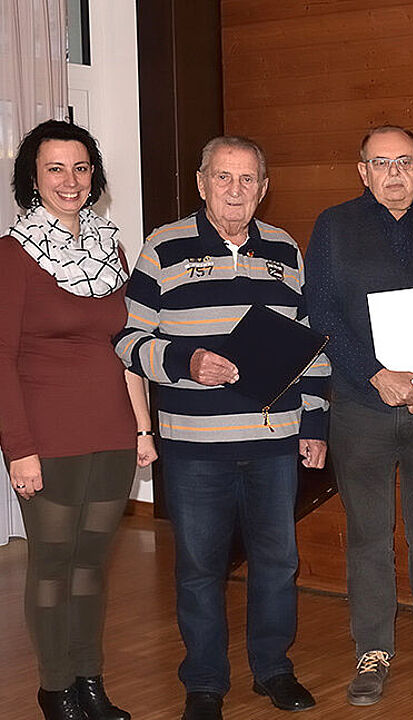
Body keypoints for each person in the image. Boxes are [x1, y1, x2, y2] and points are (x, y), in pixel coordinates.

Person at [114, 136, 330, 720]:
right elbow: (129, 342)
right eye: (224, 178)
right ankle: (205, 683)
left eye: (249, 180)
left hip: (273, 442)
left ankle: (273, 669)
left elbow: (311, 346)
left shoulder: (286, 249)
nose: (237, 191)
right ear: (203, 182)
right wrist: (189, 363)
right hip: (194, 447)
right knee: (199, 567)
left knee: (277, 561)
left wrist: (314, 420)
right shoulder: (162, 248)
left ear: (264, 187)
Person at [305, 125, 413, 705]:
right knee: (368, 535)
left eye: (405, 162)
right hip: (362, 407)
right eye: (381, 163)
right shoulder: (335, 226)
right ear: (363, 171)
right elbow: (321, 310)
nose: (394, 173)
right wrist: (374, 375)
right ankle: (373, 652)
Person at [1, 120, 155, 720]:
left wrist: (142, 429)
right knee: (52, 561)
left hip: (112, 430)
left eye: (81, 167)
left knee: (93, 563)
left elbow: (126, 345)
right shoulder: (13, 255)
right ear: (33, 180)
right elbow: (2, 357)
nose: (71, 180)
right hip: (48, 436)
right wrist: (19, 448)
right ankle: (54, 686)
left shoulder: (112, 249)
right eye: (56, 168)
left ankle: (90, 680)